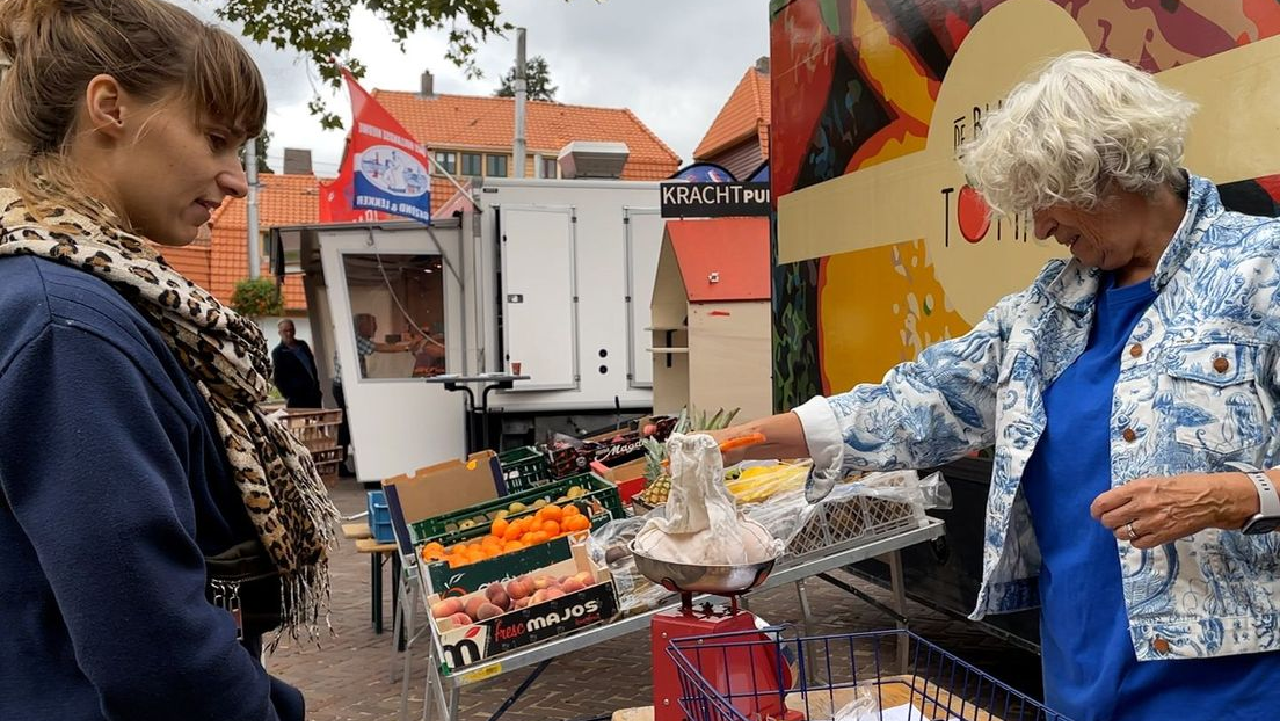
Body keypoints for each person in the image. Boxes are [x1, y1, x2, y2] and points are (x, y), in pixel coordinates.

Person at [710, 52, 1280, 721]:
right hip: (1080, 677)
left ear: (1108, 171)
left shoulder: (1262, 269)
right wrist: (738, 442)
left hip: (1232, 690)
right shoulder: (1047, 308)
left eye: (1046, 197)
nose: (1039, 227)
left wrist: (1235, 495)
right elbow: (918, 400)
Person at [0, 0, 337, 718]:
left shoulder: (82, 299)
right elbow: (151, 642)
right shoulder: (68, 325)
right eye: (216, 139)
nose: (237, 178)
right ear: (110, 106)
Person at [271, 319, 323, 408]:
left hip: (313, 395)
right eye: (285, 331)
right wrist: (288, 395)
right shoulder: (279, 352)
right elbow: (278, 378)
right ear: (279, 333)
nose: (289, 333)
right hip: (297, 399)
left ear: (294, 330)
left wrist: (317, 389)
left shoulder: (303, 345)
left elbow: (312, 367)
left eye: (291, 330)